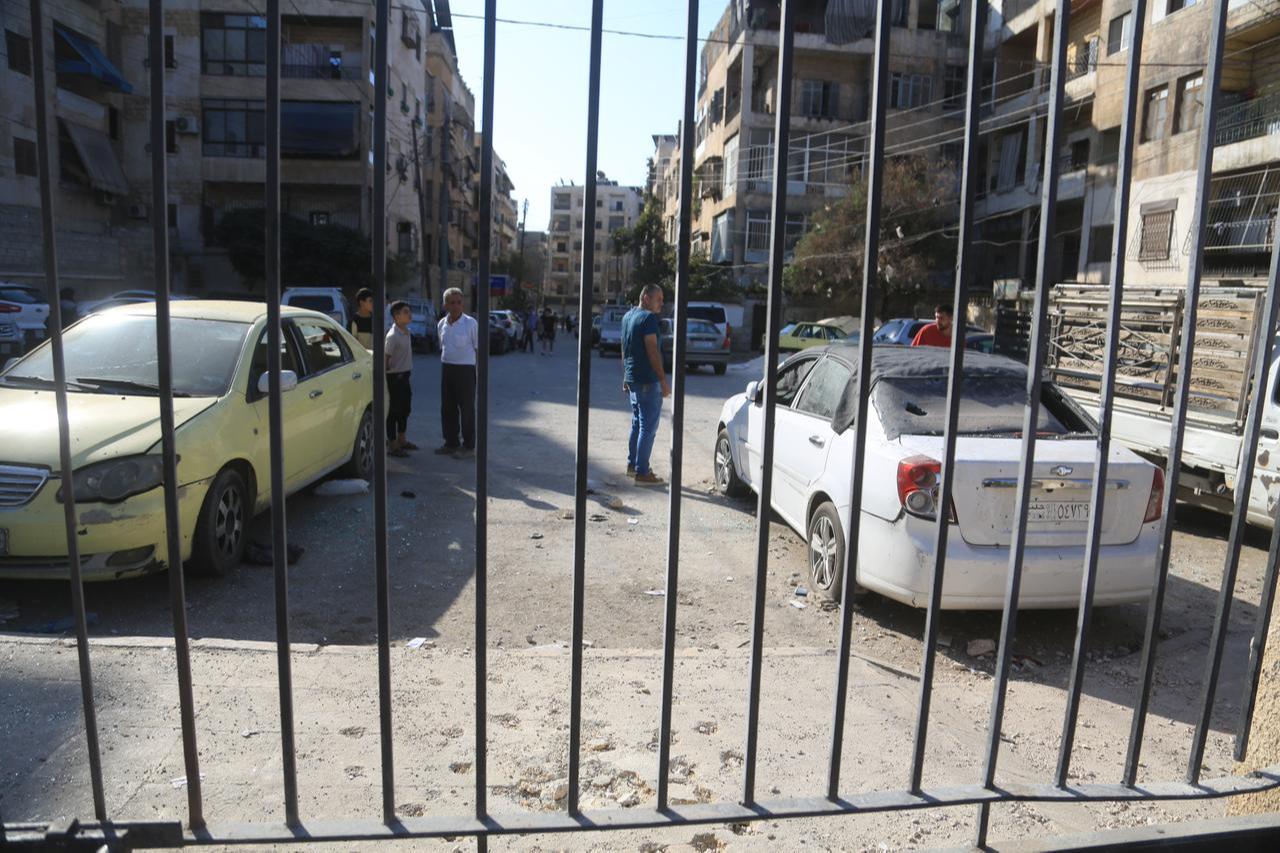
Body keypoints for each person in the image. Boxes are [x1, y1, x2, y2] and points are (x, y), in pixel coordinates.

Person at [622, 285, 670, 486]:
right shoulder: (649, 319)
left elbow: (624, 347)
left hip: (633, 378)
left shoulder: (627, 316)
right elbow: (652, 351)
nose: (662, 303)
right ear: (646, 297)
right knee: (648, 428)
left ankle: (633, 466)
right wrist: (662, 380)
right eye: (658, 298)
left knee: (637, 423)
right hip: (647, 380)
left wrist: (626, 375)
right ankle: (642, 472)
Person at [436, 287, 479, 459]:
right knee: (447, 408)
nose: (455, 306)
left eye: (459, 302)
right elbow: (442, 347)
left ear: (463, 304)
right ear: (445, 304)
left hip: (466, 371)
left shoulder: (471, 324)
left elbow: (478, 349)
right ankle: (451, 443)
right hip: (447, 369)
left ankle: (469, 446)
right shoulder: (442, 324)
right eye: (452, 303)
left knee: (467, 409)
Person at [385, 301, 416, 456]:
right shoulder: (392, 336)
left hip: (405, 377)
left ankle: (402, 439)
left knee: (405, 409)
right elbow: (386, 359)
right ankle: (392, 444)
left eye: (409, 311)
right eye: (405, 312)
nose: (409, 314)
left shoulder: (406, 331)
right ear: (396, 316)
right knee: (393, 411)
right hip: (394, 378)